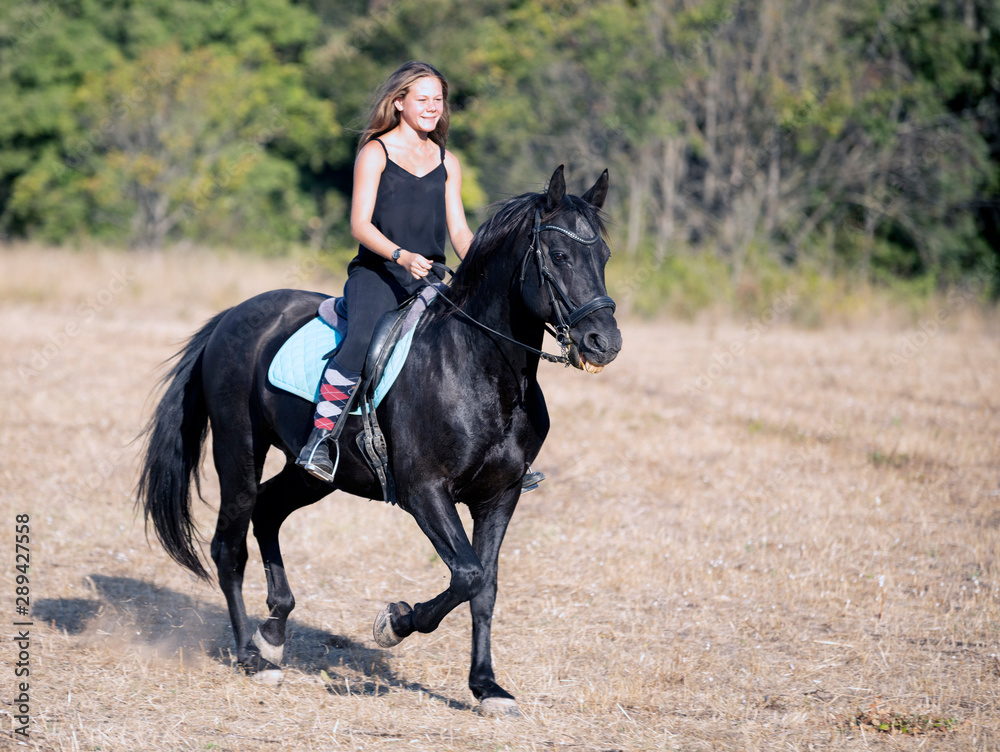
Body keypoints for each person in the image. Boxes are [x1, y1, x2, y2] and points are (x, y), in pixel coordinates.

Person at [296, 61, 545, 494]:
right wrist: (399, 254)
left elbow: (460, 232)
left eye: (438, 100)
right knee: (360, 341)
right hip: (379, 273)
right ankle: (322, 438)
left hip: (430, 278)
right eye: (423, 99)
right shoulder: (375, 152)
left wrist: (484, 269)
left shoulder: (448, 161)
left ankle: (500, 456)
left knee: (483, 342)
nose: (432, 108)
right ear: (399, 103)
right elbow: (359, 224)